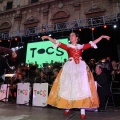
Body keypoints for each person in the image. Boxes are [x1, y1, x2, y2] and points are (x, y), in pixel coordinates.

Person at [42, 32, 110, 119]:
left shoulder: (81, 47)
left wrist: (102, 36)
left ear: (76, 38)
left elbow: (93, 42)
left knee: (81, 88)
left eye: (72, 35)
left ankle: (82, 110)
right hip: (70, 68)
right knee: (69, 87)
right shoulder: (68, 46)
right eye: (70, 35)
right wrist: (48, 37)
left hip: (80, 68)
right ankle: (68, 106)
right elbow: (56, 42)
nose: (71, 36)